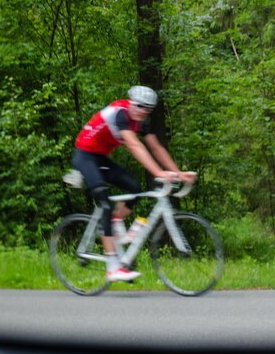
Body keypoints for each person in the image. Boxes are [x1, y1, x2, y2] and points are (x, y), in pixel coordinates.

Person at [71, 85, 196, 282]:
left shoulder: (140, 121)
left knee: (135, 188)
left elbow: (155, 147)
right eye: (139, 107)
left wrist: (178, 173)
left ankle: (112, 224)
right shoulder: (121, 114)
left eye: (147, 109)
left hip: (101, 158)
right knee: (104, 203)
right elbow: (134, 145)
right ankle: (113, 267)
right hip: (85, 156)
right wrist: (158, 173)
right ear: (131, 102)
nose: (142, 112)